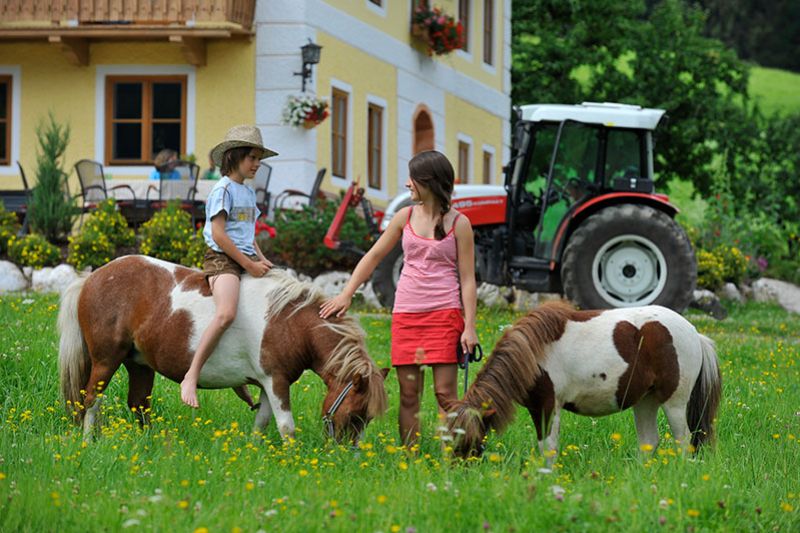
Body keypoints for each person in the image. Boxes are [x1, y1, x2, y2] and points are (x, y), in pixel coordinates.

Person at [320, 150, 478, 446]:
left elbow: (468, 280)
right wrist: (346, 293)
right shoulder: (404, 216)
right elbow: (374, 256)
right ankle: (411, 459)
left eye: (413, 178)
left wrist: (470, 326)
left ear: (429, 182)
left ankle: (453, 457)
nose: (407, 184)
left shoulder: (460, 224)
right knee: (409, 394)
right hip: (406, 316)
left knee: (446, 395)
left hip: (445, 315)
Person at [180, 125, 278, 408]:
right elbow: (220, 234)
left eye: (260, 159)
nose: (257, 164)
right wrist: (248, 263)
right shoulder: (223, 190)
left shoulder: (246, 192)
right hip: (223, 260)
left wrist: (260, 258)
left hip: (244, 257)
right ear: (234, 157)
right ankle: (192, 374)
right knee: (226, 314)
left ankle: (243, 377)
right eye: (252, 158)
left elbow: (247, 232)